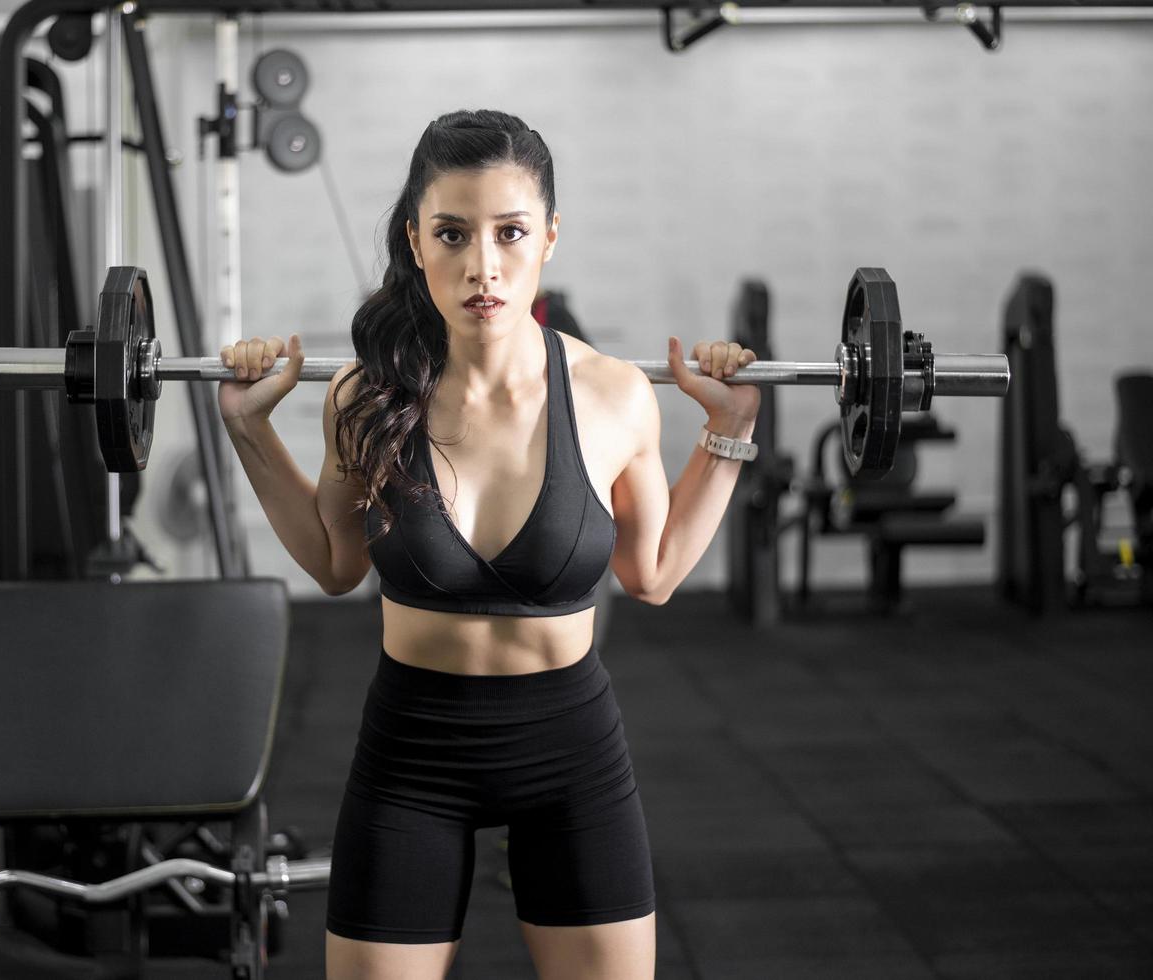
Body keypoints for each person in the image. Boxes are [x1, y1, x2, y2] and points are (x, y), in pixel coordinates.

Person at [216, 109, 758, 980]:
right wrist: (249, 430)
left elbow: (652, 575)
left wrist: (726, 432)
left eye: (509, 233)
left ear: (548, 237)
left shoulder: (615, 395)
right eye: (452, 234)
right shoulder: (366, 397)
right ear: (415, 240)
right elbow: (333, 563)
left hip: (571, 751)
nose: (482, 266)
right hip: (411, 753)